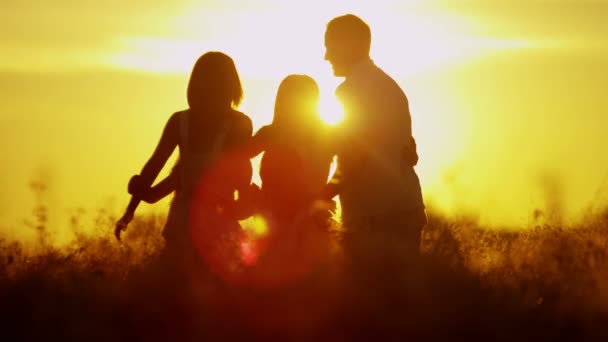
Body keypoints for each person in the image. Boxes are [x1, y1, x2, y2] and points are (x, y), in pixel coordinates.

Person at [322, 14, 428, 331]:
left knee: (367, 315)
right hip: (406, 210)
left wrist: (320, 195)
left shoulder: (350, 92)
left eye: (329, 46)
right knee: (401, 313)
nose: (326, 56)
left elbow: (354, 156)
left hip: (374, 218)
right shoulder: (391, 88)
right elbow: (407, 149)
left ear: (351, 44)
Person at [114, 51, 253, 273]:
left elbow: (155, 166)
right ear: (232, 85)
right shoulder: (239, 124)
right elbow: (243, 178)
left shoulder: (181, 122)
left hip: (186, 221)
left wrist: (132, 209)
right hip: (213, 222)